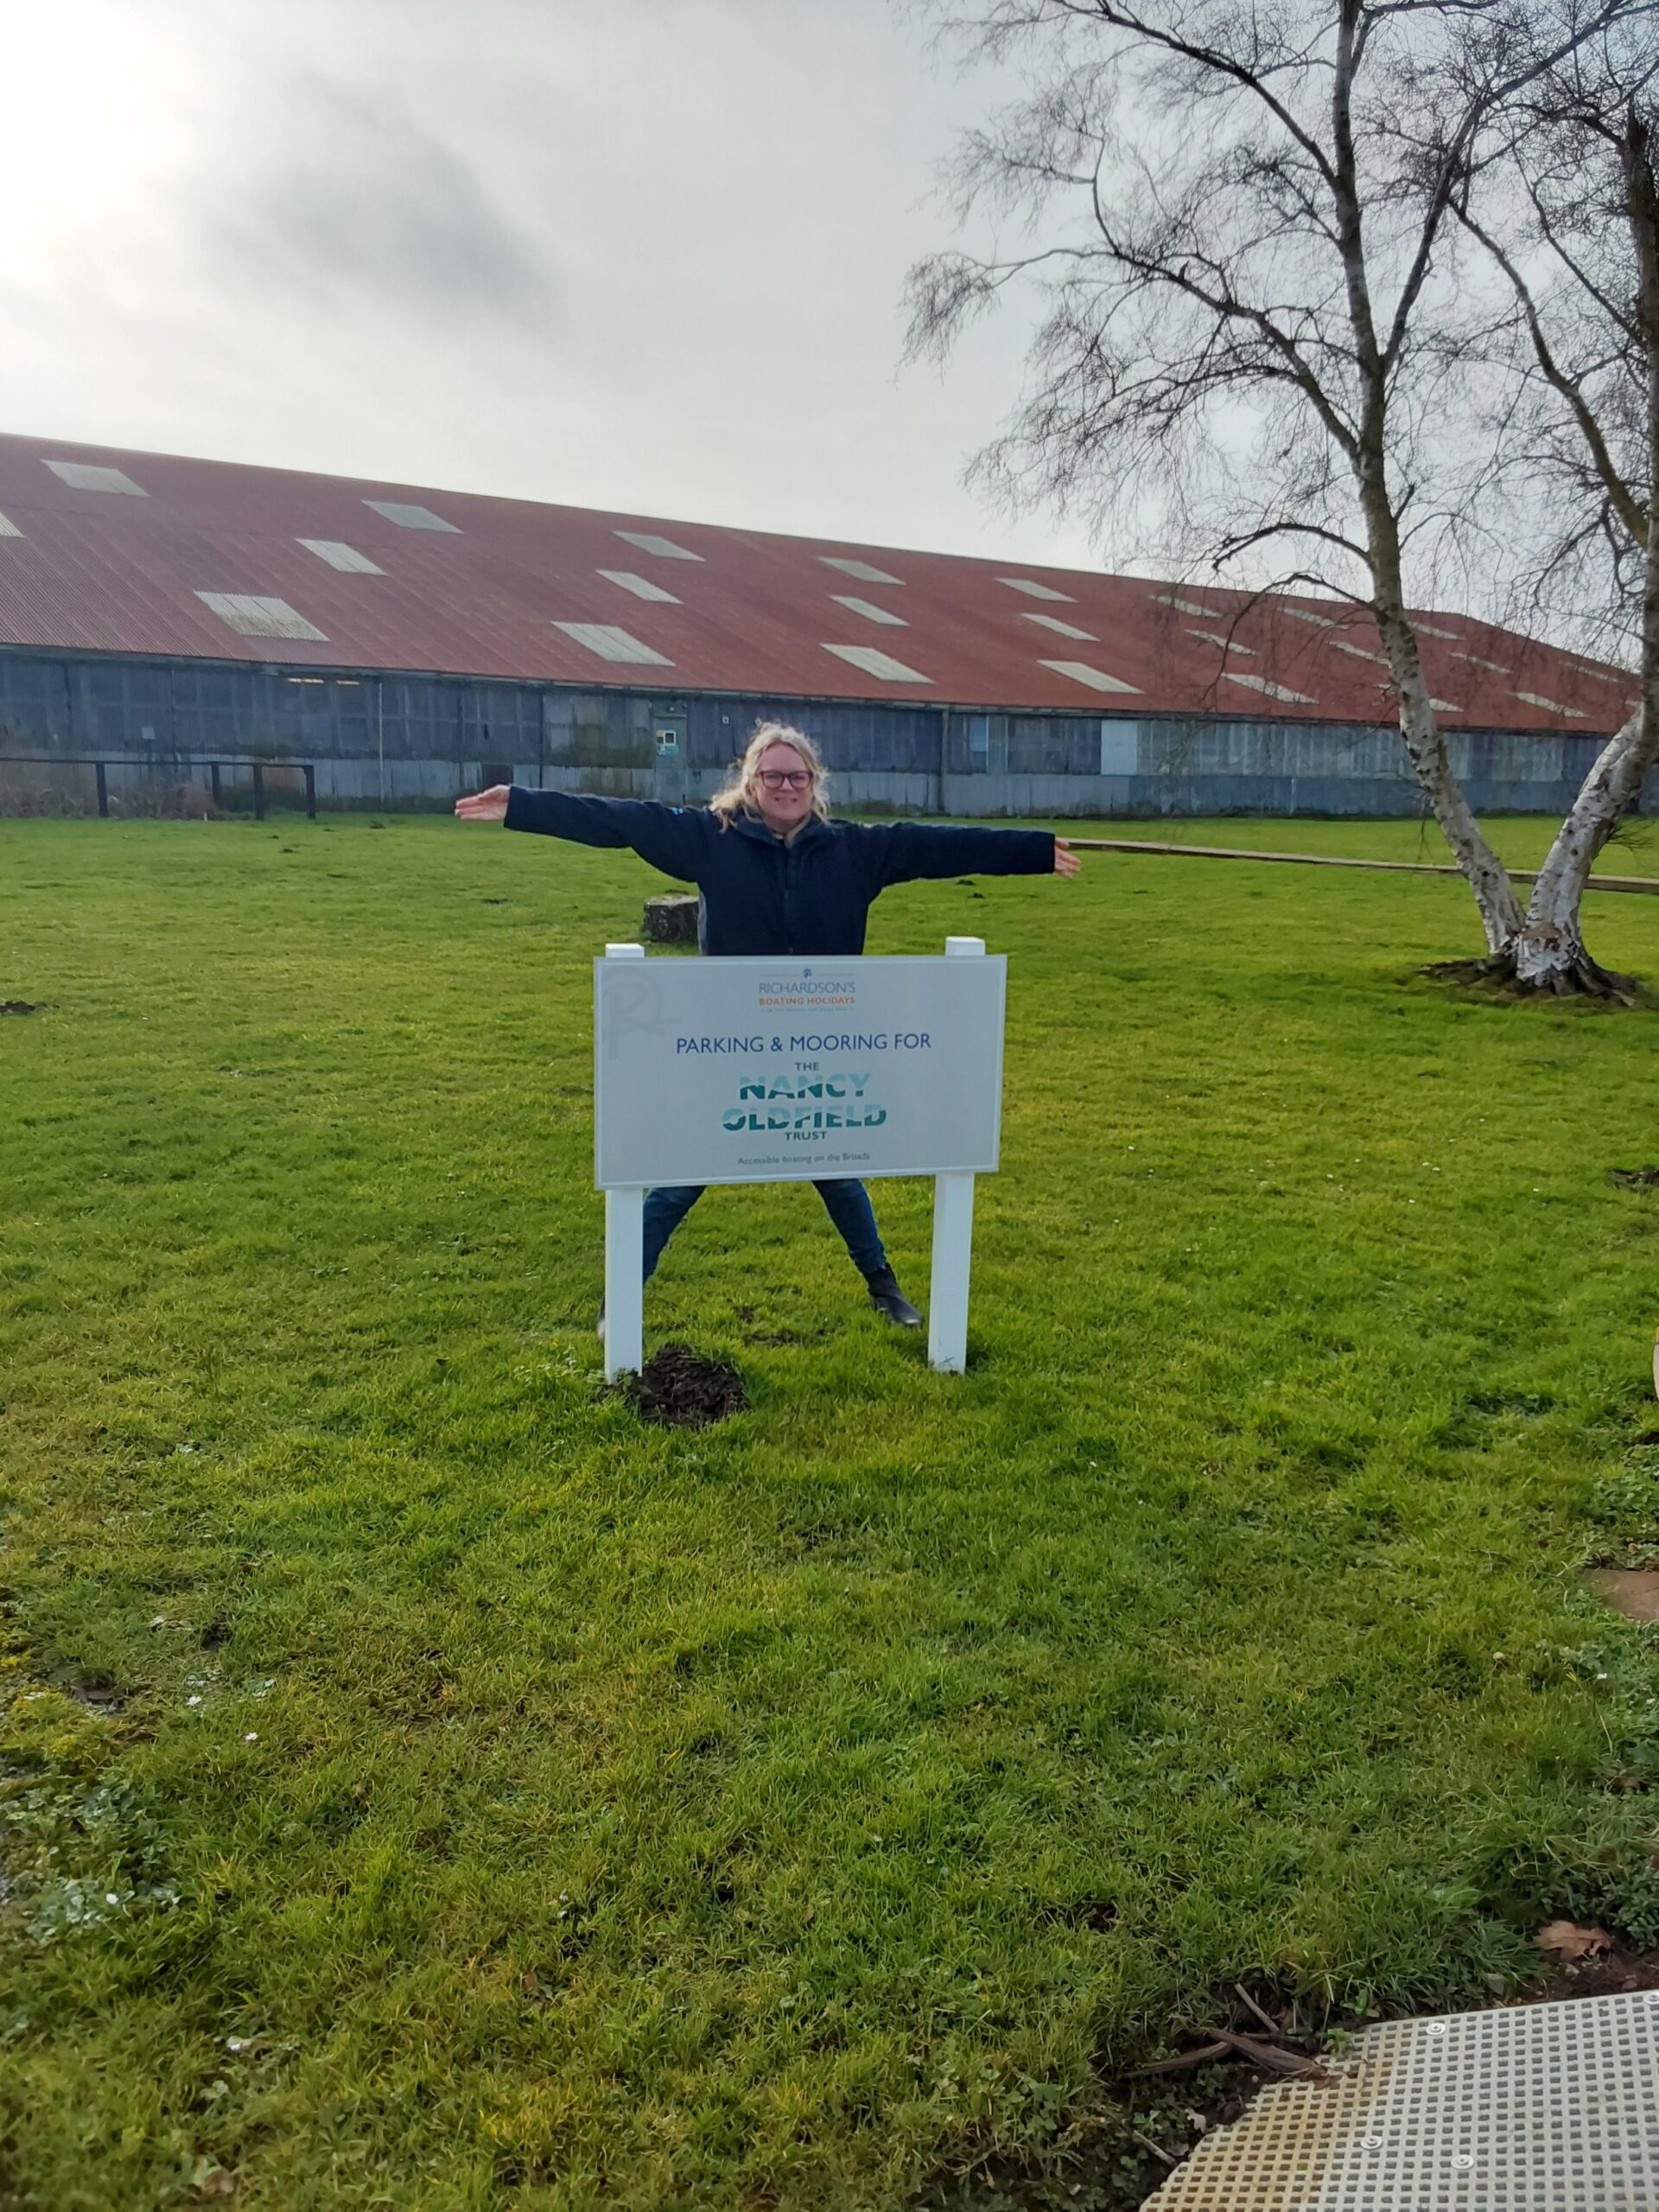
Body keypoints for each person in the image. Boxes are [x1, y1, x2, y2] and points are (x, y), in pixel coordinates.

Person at [456, 721, 1079, 1330]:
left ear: (814, 782)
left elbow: (940, 846)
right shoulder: (709, 838)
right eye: (773, 775)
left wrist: (1030, 851)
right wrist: (522, 804)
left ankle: (883, 1287)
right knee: (682, 1177)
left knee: (835, 1168)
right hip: (729, 1045)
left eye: (797, 776)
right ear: (751, 782)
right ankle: (620, 1299)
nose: (786, 786)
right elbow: (620, 820)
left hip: (817, 1042)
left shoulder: (857, 851)